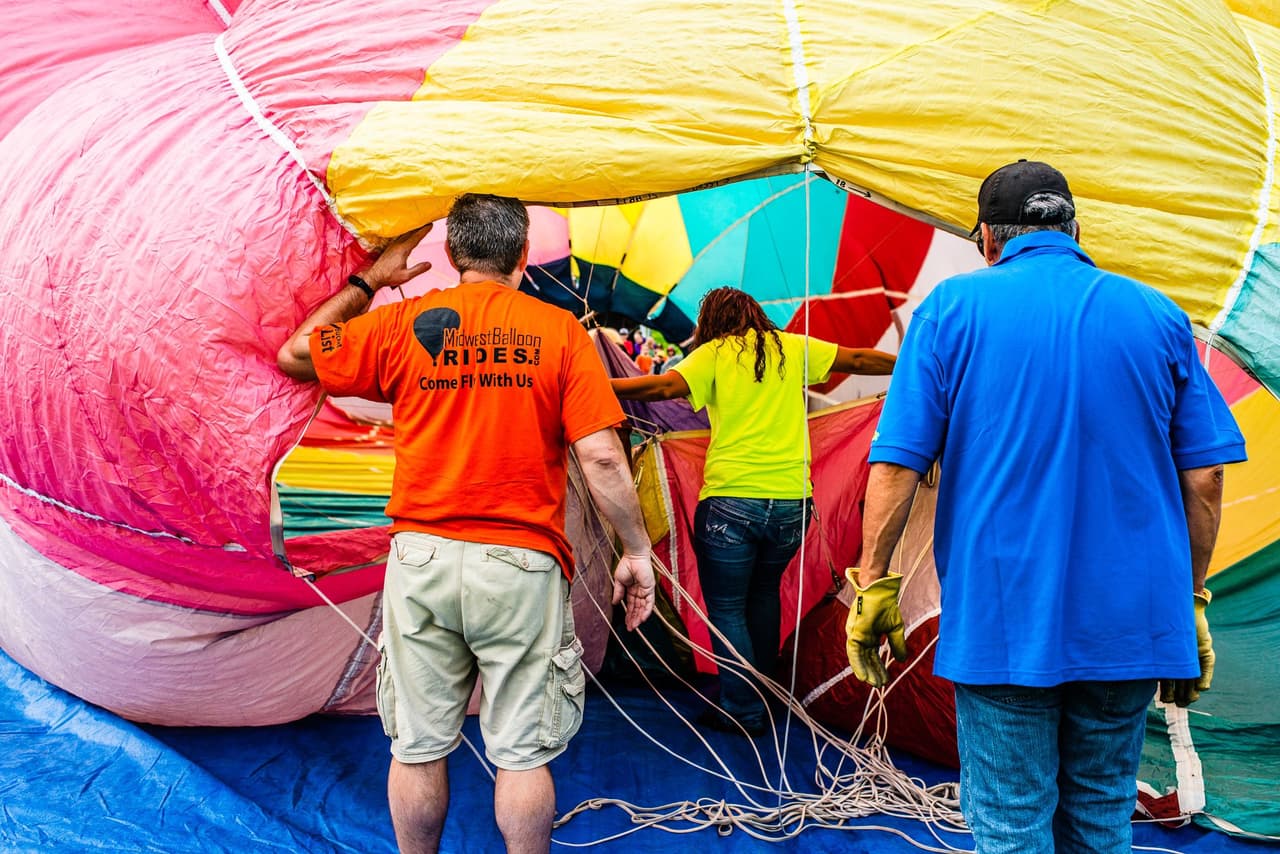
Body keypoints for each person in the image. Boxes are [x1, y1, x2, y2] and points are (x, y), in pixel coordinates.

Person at [845, 160, 1246, 853]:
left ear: (986, 241)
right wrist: (1192, 598)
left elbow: (897, 464)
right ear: (1076, 229)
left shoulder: (949, 310)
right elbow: (1205, 475)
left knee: (1011, 824)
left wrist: (873, 584)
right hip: (1130, 626)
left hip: (1005, 621)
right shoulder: (1157, 312)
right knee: (1100, 818)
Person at [277, 194, 656, 854]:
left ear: (451, 255)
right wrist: (637, 551)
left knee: (419, 745)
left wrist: (371, 279)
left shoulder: (406, 323)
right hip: (521, 563)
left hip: (422, 556)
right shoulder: (559, 330)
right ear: (522, 255)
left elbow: (298, 352)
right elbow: (599, 453)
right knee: (521, 753)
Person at [612, 287, 895, 735]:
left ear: (713, 320)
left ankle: (743, 708)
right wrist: (911, 366)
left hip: (730, 505)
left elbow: (665, 387)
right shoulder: (792, 347)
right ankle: (762, 694)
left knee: (727, 609)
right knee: (763, 597)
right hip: (791, 506)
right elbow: (859, 361)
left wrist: (600, 385)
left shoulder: (715, 353)